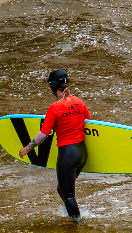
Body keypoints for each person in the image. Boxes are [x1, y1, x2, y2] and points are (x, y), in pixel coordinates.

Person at [24, 69, 89, 221]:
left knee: (69, 195)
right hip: (82, 154)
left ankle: (77, 226)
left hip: (67, 156)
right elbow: (89, 126)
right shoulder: (80, 102)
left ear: (53, 87)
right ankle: (72, 216)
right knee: (62, 189)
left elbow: (43, 134)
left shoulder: (55, 108)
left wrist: (27, 148)